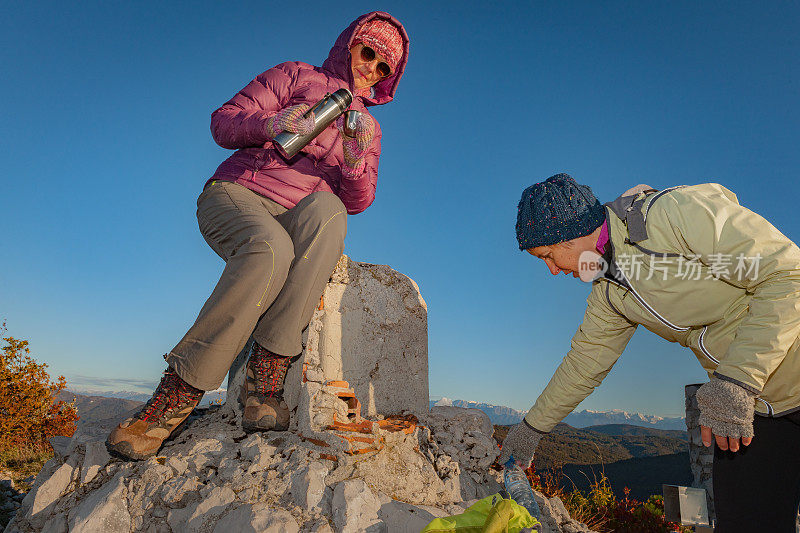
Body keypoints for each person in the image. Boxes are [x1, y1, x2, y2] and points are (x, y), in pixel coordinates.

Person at [106, 12, 409, 461]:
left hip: (296, 213)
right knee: (269, 249)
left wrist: (353, 160)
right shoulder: (295, 75)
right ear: (351, 45)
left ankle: (267, 368)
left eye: (385, 67)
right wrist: (271, 124)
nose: (371, 69)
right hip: (237, 194)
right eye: (369, 53)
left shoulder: (368, 127)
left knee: (331, 213)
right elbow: (223, 121)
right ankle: (178, 391)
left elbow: (359, 199)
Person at [499, 174, 800, 532]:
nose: (551, 269)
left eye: (548, 255)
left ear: (572, 232)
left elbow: (786, 272)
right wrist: (532, 428)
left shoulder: (672, 215)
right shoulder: (610, 292)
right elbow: (584, 364)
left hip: (753, 384)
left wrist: (737, 378)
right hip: (756, 411)